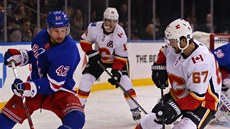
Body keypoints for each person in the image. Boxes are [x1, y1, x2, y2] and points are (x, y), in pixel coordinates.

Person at [0, 10, 85, 129]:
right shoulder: (41, 37)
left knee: (76, 119)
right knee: (4, 120)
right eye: (56, 31)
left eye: (63, 30)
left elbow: (53, 84)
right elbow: (37, 56)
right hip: (36, 85)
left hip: (60, 91)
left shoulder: (68, 52)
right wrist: (21, 57)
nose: (60, 35)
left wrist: (26, 87)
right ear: (49, 29)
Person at [135, 18, 221, 129]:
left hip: (204, 102)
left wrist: (173, 107)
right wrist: (159, 67)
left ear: (184, 40)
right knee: (149, 122)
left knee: (183, 128)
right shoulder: (177, 47)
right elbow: (164, 51)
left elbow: (195, 99)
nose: (169, 44)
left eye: (172, 41)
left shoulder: (201, 62)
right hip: (180, 94)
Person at [77, 7, 141, 121]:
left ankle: (135, 108)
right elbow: (84, 41)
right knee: (85, 80)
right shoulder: (94, 28)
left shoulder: (120, 34)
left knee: (125, 82)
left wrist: (116, 72)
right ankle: (78, 108)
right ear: (104, 19)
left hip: (116, 60)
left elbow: (121, 56)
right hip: (98, 59)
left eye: (114, 21)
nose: (111, 24)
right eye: (108, 20)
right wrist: (92, 53)